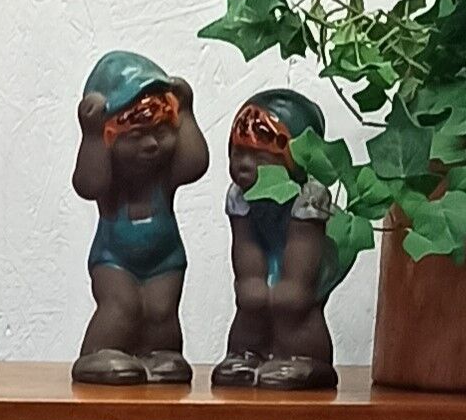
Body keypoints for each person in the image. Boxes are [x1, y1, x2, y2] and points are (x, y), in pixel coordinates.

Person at [71, 49, 209, 384]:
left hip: (166, 258)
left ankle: (160, 356)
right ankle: (97, 355)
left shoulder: (163, 175)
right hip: (114, 259)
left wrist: (187, 111)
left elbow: (195, 164)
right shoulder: (110, 179)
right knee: (123, 308)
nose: (151, 144)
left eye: (161, 131)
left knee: (162, 313)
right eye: (136, 134)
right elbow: (88, 185)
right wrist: (90, 134)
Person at [213, 88, 343, 391]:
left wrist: (292, 285)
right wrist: (250, 279)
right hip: (265, 260)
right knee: (251, 306)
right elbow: (244, 243)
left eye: (260, 157)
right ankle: (246, 354)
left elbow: (304, 247)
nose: (244, 164)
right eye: (238, 152)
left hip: (299, 267)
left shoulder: (309, 198)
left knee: (292, 309)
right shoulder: (240, 195)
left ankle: (304, 359)